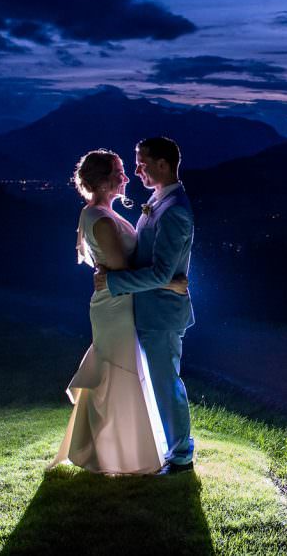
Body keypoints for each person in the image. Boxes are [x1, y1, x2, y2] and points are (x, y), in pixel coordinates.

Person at [51, 149, 186, 474]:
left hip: (117, 304)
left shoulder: (98, 213)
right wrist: (171, 284)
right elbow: (122, 278)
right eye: (119, 172)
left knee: (121, 373)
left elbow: (117, 275)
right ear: (104, 180)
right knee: (118, 374)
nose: (126, 177)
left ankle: (117, 447)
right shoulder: (102, 220)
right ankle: (117, 453)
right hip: (116, 307)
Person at [94, 137, 196, 475]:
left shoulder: (176, 211)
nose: (137, 169)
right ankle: (168, 446)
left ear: (163, 165)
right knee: (158, 381)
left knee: (168, 383)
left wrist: (114, 282)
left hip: (163, 314)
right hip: (150, 310)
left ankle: (181, 455)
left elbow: (161, 272)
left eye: (142, 162)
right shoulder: (160, 201)